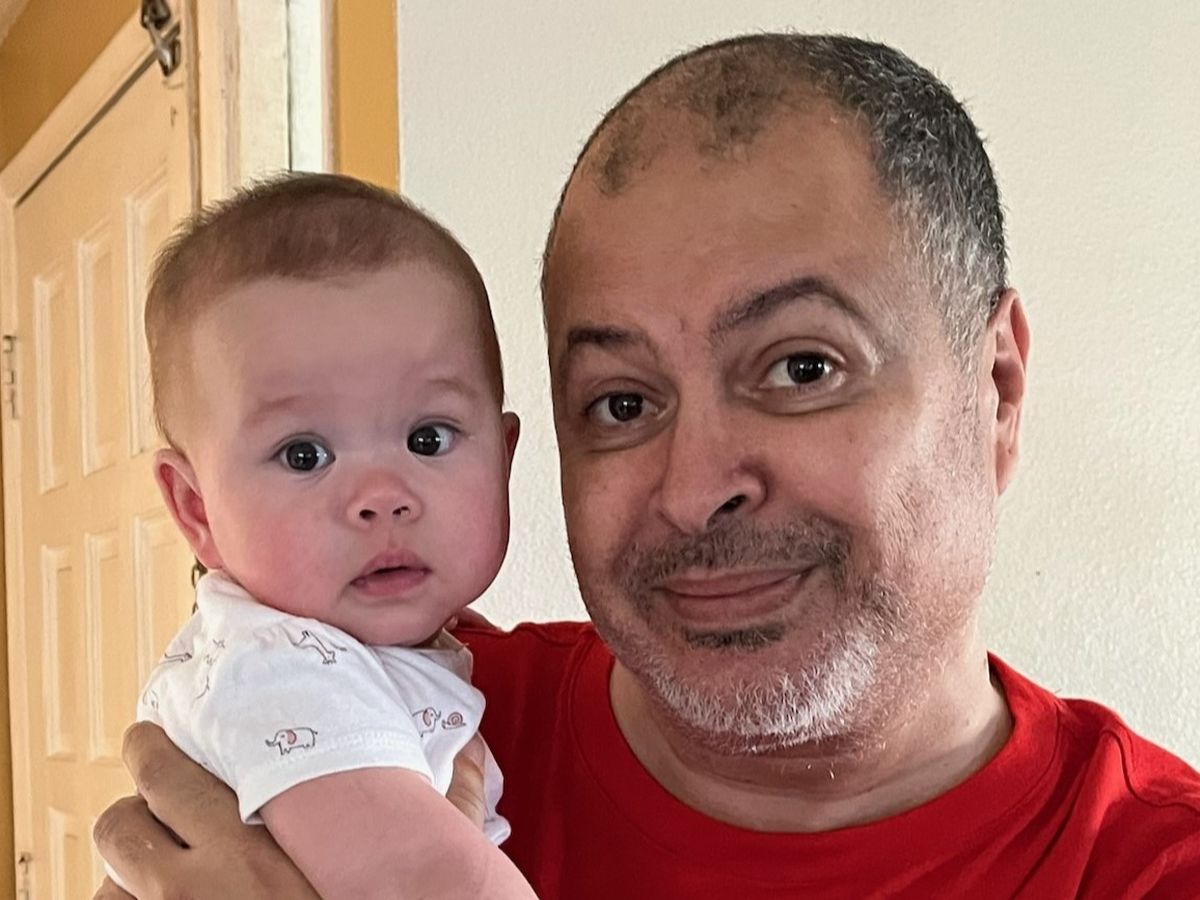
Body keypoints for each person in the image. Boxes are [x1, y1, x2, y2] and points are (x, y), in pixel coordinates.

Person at [95, 33, 1200, 899]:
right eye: (621, 403)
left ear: (996, 389)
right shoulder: (389, 709)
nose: (695, 487)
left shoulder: (1149, 867)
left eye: (803, 367)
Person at [110, 174, 534, 899]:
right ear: (197, 510)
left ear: (504, 459)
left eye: (428, 438)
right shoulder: (285, 670)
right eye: (304, 455)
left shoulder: (395, 652)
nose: (382, 498)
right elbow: (426, 885)